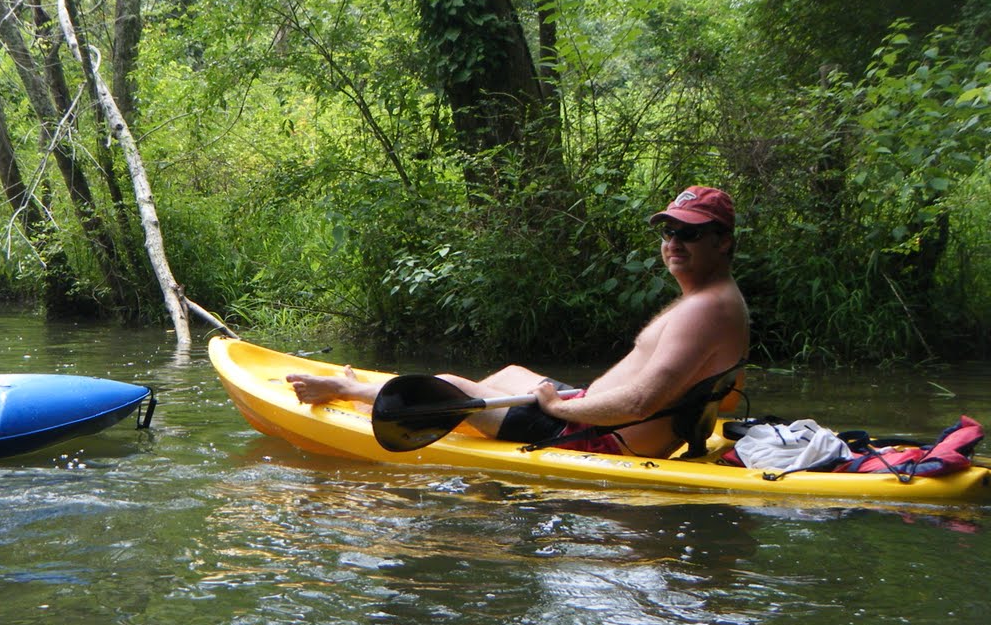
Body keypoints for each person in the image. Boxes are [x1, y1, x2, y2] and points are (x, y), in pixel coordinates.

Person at [287, 185, 750, 458]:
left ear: (723, 242)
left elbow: (640, 402)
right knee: (510, 375)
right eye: (669, 231)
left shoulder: (705, 310)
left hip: (601, 440)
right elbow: (726, 396)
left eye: (690, 233)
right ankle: (477, 419)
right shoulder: (718, 301)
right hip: (601, 417)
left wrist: (559, 410)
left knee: (448, 385)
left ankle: (348, 390)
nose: (674, 242)